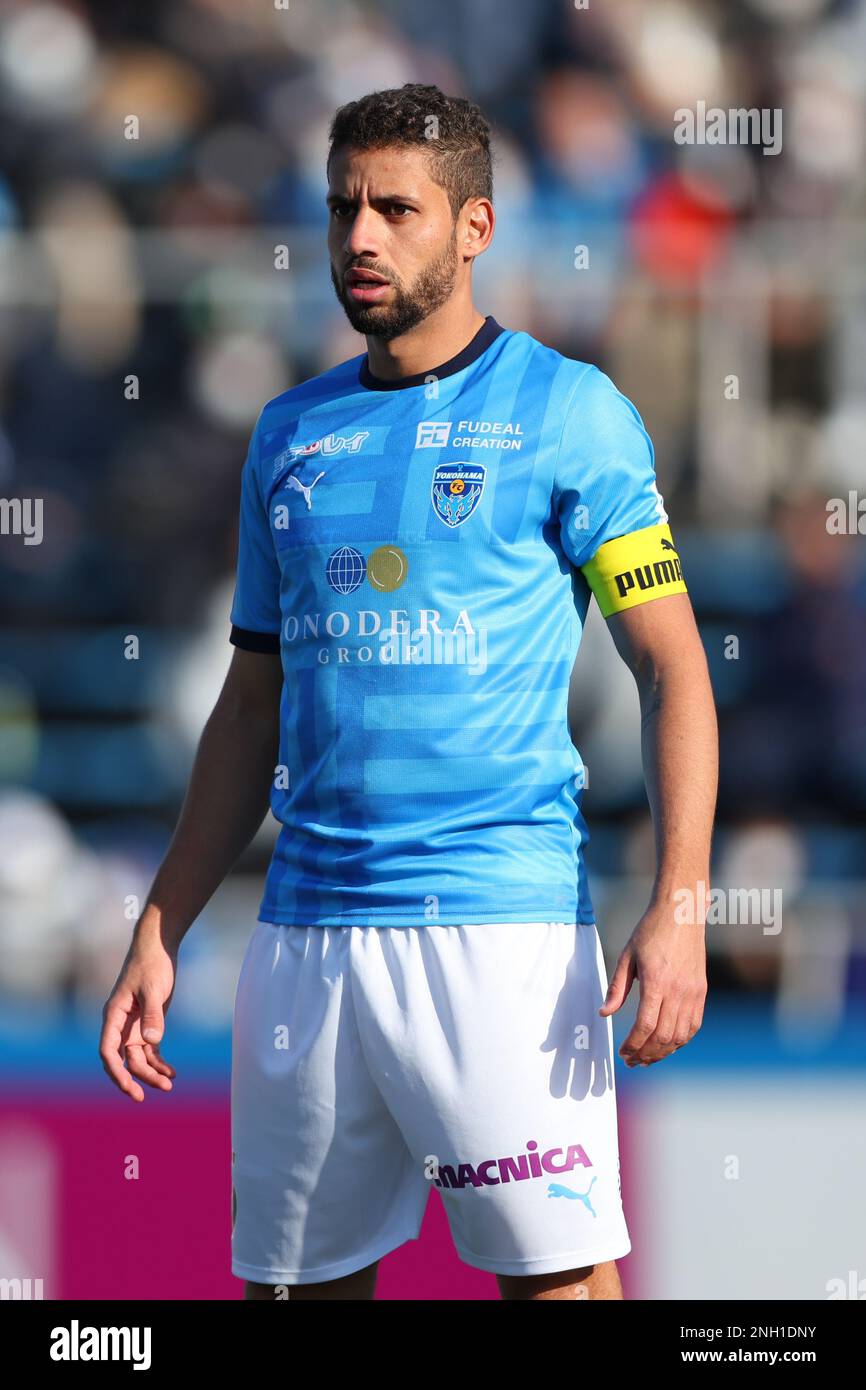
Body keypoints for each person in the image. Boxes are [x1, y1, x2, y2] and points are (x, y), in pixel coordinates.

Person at [99, 83, 717, 1302]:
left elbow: (674, 667)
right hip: (303, 938)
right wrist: (163, 920)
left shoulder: (571, 412)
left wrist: (681, 903)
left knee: (558, 1293)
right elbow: (248, 705)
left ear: (475, 228)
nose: (360, 239)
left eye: (396, 210)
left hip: (498, 931)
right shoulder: (287, 432)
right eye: (342, 210)